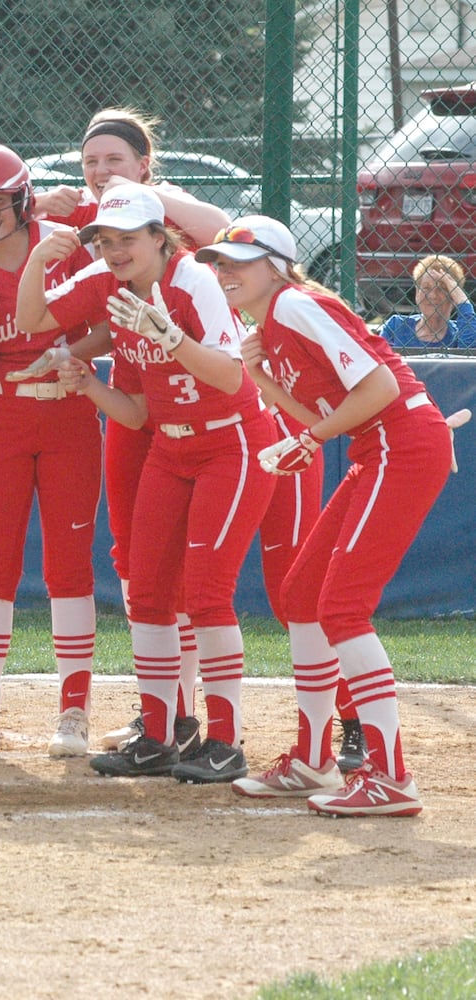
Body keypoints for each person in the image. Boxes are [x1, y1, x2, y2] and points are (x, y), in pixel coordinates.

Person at [17, 183, 278, 784]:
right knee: (148, 595)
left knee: (208, 594)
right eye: (105, 240)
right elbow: (130, 409)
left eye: (127, 239)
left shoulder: (194, 280)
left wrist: (168, 337)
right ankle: (158, 737)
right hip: (171, 445)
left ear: (159, 238)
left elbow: (232, 374)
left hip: (231, 442)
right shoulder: (115, 288)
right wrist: (87, 381)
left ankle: (225, 740)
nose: (114, 250)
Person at [202, 217, 454, 816]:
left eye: (240, 261)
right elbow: (325, 404)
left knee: (341, 606)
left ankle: (391, 776)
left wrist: (310, 437)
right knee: (302, 594)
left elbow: (380, 393)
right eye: (220, 262)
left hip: (399, 444)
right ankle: (313, 759)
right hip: (380, 448)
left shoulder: (293, 305)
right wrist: (260, 375)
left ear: (278, 266)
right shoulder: (274, 322)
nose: (225, 272)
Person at [0, 145, 102, 758]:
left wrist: (75, 357)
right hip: (1, 416)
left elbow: (103, 322)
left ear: (21, 197)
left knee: (69, 566)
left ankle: (74, 710)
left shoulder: (66, 245)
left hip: (69, 412)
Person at [32, 107, 230, 247]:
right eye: (91, 161)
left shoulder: (164, 197)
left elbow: (222, 232)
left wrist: (136, 191)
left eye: (114, 159)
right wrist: (40, 202)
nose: (101, 170)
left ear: (142, 166)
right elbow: (5, 224)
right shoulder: (82, 204)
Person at [377, 254, 476, 350]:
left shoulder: (460, 334)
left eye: (442, 289)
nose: (432, 295)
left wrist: (463, 301)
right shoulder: (396, 326)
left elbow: (469, 352)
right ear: (417, 292)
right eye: (426, 288)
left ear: (454, 296)